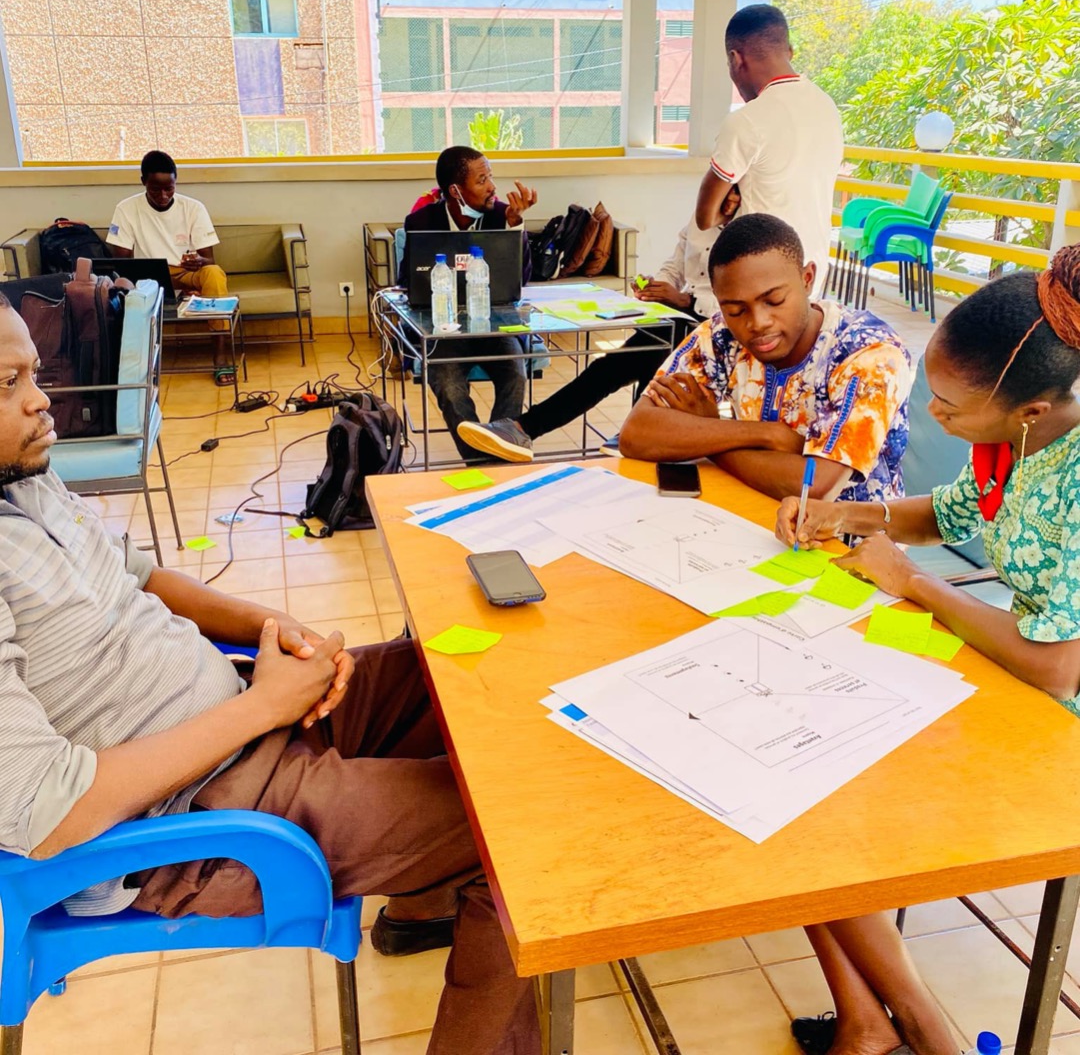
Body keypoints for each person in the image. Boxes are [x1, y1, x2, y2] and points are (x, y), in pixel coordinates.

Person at [0, 294, 539, 1054]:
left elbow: (141, 577)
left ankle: (425, 902)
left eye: (33, 373)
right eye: (8, 384)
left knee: (456, 674)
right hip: (192, 819)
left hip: (242, 720)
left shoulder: (22, 477)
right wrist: (263, 709)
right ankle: (459, 898)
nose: (40, 400)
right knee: (519, 832)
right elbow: (47, 813)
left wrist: (272, 630)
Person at [774, 245, 1080, 1055]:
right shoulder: (1013, 443)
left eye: (948, 406)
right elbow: (947, 514)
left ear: (1028, 410)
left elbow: (1058, 666)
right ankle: (872, 1024)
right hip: (1013, 678)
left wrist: (909, 582)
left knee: (819, 799)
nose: (933, 417)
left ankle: (918, 1027)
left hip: (1060, 723)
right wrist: (844, 515)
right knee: (793, 776)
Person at [619, 213, 911, 504]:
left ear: (807, 279)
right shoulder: (721, 335)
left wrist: (708, 430)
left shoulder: (867, 352)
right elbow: (636, 433)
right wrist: (767, 435)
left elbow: (816, 488)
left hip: (848, 530)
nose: (757, 323)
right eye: (736, 310)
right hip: (747, 512)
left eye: (774, 301)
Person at [455, 197, 740, 464]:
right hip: (679, 316)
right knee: (616, 365)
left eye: (730, 191)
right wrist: (655, 286)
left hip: (718, 324)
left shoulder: (746, 230)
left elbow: (741, 300)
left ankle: (528, 428)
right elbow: (674, 268)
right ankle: (626, 429)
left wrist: (685, 299)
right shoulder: (699, 220)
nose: (724, 199)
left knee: (650, 356)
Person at [399, 146, 539, 462]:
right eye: (481, 180)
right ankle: (482, 460)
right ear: (455, 191)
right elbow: (407, 281)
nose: (492, 187)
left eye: (490, 177)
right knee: (449, 387)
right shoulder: (421, 221)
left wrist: (515, 226)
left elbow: (520, 280)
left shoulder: (502, 215)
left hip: (493, 325)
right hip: (444, 328)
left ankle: (497, 449)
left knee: (515, 374)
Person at [695, 4, 843, 296]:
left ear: (736, 59)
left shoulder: (747, 120)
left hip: (759, 275)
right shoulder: (828, 107)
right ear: (790, 51)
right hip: (810, 272)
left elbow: (705, 217)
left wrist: (729, 206)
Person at [106, 150, 235, 387]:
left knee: (214, 274)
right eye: (156, 190)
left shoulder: (193, 208)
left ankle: (220, 355)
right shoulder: (126, 209)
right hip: (149, 276)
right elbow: (123, 263)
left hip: (185, 272)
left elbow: (210, 260)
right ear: (143, 182)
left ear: (176, 182)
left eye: (169, 189)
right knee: (125, 287)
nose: (163, 196)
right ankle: (139, 366)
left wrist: (198, 261)